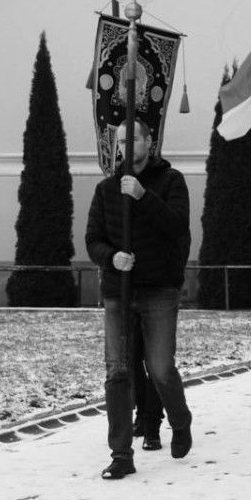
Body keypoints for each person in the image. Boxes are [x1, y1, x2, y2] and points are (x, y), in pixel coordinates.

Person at [86, 120, 193, 479]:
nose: (126, 147)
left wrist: (143, 197)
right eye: (120, 141)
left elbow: (178, 226)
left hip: (159, 289)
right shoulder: (105, 190)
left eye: (132, 139)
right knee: (117, 373)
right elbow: (93, 239)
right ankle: (121, 455)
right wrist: (110, 258)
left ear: (149, 141)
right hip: (119, 291)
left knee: (160, 369)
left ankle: (179, 420)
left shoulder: (171, 181)